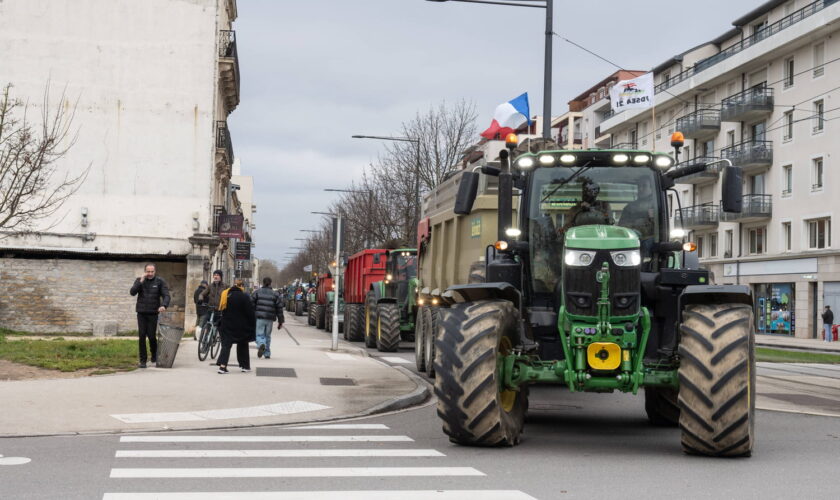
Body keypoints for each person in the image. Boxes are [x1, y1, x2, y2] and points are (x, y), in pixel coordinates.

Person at [129, 263, 171, 368]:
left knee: (151, 336)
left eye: (152, 271)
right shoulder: (139, 280)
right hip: (141, 312)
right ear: (145, 271)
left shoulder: (160, 281)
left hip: (153, 313)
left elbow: (166, 295)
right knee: (142, 335)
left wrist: (164, 305)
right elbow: (132, 292)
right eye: (148, 271)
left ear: (155, 271)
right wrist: (140, 281)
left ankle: (154, 355)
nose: (150, 273)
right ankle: (143, 360)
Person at [217, 279, 256, 374]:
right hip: (241, 326)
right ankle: (245, 366)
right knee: (243, 344)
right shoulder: (244, 296)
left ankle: (222, 367)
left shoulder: (225, 294)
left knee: (226, 345)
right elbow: (250, 312)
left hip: (227, 324)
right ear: (242, 286)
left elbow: (222, 309)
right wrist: (252, 324)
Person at [252, 277, 285, 359]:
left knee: (259, 334)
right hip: (270, 319)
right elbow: (279, 309)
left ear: (263, 283)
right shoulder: (275, 294)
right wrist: (280, 321)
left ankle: (261, 344)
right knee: (268, 336)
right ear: (270, 283)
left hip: (259, 317)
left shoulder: (257, 292)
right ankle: (267, 353)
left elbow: (251, 304)